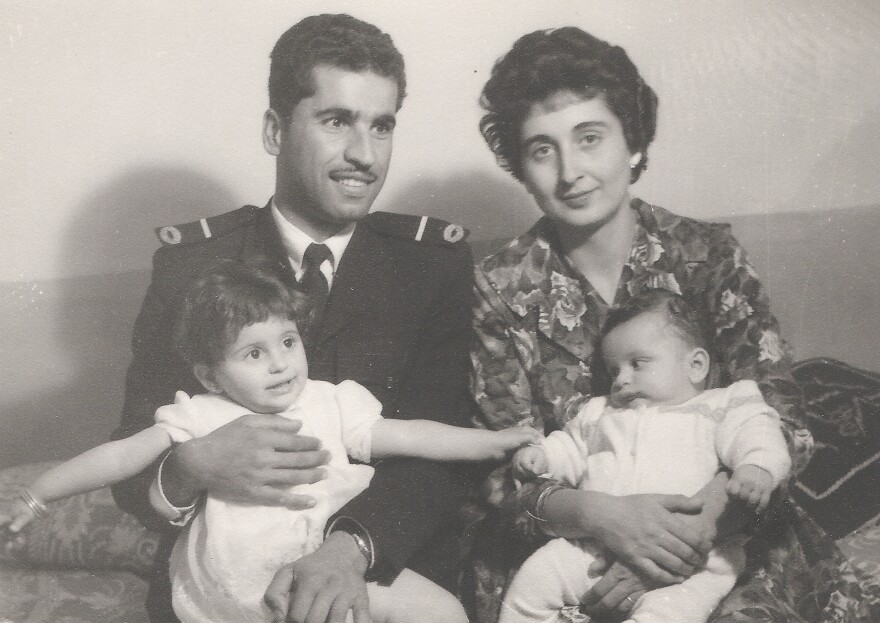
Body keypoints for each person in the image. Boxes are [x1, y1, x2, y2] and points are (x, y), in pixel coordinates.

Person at [467, 25, 873, 623]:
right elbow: (503, 473)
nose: (570, 171)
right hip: (568, 546)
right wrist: (604, 519)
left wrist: (684, 537)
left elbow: (783, 420)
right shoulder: (498, 285)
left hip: (726, 535)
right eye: (542, 150)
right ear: (522, 170)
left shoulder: (708, 254)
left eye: (589, 138)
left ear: (632, 143)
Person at [111, 14, 482, 623]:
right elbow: (131, 464)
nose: (364, 155)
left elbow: (441, 455)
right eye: (336, 121)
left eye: (382, 126)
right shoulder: (192, 267)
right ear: (274, 131)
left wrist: (349, 549)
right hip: (231, 594)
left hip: (380, 581)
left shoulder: (429, 267)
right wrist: (189, 468)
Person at [2, 261, 536, 622]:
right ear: (211, 376)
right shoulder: (202, 413)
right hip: (245, 582)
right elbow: (120, 456)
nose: (280, 363)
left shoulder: (332, 400)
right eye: (253, 354)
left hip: (331, 562)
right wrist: (38, 493)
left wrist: (493, 442)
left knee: (443, 612)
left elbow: (414, 435)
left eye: (287, 341)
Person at [500, 290, 791, 623]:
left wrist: (756, 466)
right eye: (614, 371)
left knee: (666, 615)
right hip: (593, 548)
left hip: (692, 564)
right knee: (535, 580)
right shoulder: (600, 413)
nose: (621, 380)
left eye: (637, 363)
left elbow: (757, 429)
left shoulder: (721, 405)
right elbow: (571, 446)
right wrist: (544, 456)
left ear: (695, 365)